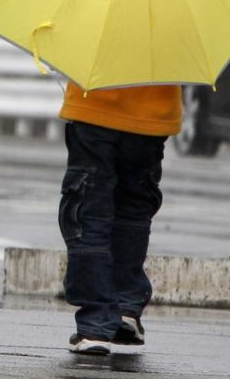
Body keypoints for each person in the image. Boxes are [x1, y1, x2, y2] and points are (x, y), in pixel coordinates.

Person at [57, 82, 182, 355]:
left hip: (94, 108)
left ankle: (96, 322)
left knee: (87, 214)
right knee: (134, 212)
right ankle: (126, 306)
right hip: (153, 116)